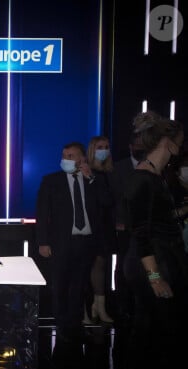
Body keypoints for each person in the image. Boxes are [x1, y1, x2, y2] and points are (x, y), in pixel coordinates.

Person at [122, 117, 188, 369]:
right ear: (168, 144)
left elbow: (161, 218)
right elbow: (141, 233)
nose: (182, 148)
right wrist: (154, 276)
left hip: (162, 259)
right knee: (158, 323)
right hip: (153, 263)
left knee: (151, 322)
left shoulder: (155, 177)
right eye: (181, 142)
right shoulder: (142, 179)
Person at [36, 142, 109, 342]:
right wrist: (43, 242)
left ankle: (75, 324)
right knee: (60, 284)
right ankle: (61, 325)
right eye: (64, 155)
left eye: (71, 156)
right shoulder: (51, 181)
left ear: (82, 159)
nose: (66, 159)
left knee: (80, 284)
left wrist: (91, 178)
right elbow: (42, 214)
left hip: (86, 242)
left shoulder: (95, 180)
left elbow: (106, 203)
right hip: (61, 242)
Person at [111, 110, 162, 324]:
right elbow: (116, 199)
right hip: (127, 231)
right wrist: (155, 278)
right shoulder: (121, 168)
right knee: (126, 269)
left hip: (148, 236)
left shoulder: (160, 172)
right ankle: (125, 307)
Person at [83, 136, 115, 324]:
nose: (104, 150)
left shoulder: (108, 173)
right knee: (88, 267)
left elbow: (111, 201)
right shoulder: (88, 173)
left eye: (107, 147)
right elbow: (100, 200)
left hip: (105, 227)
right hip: (90, 228)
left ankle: (99, 306)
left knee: (101, 266)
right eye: (100, 147)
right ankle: (85, 308)